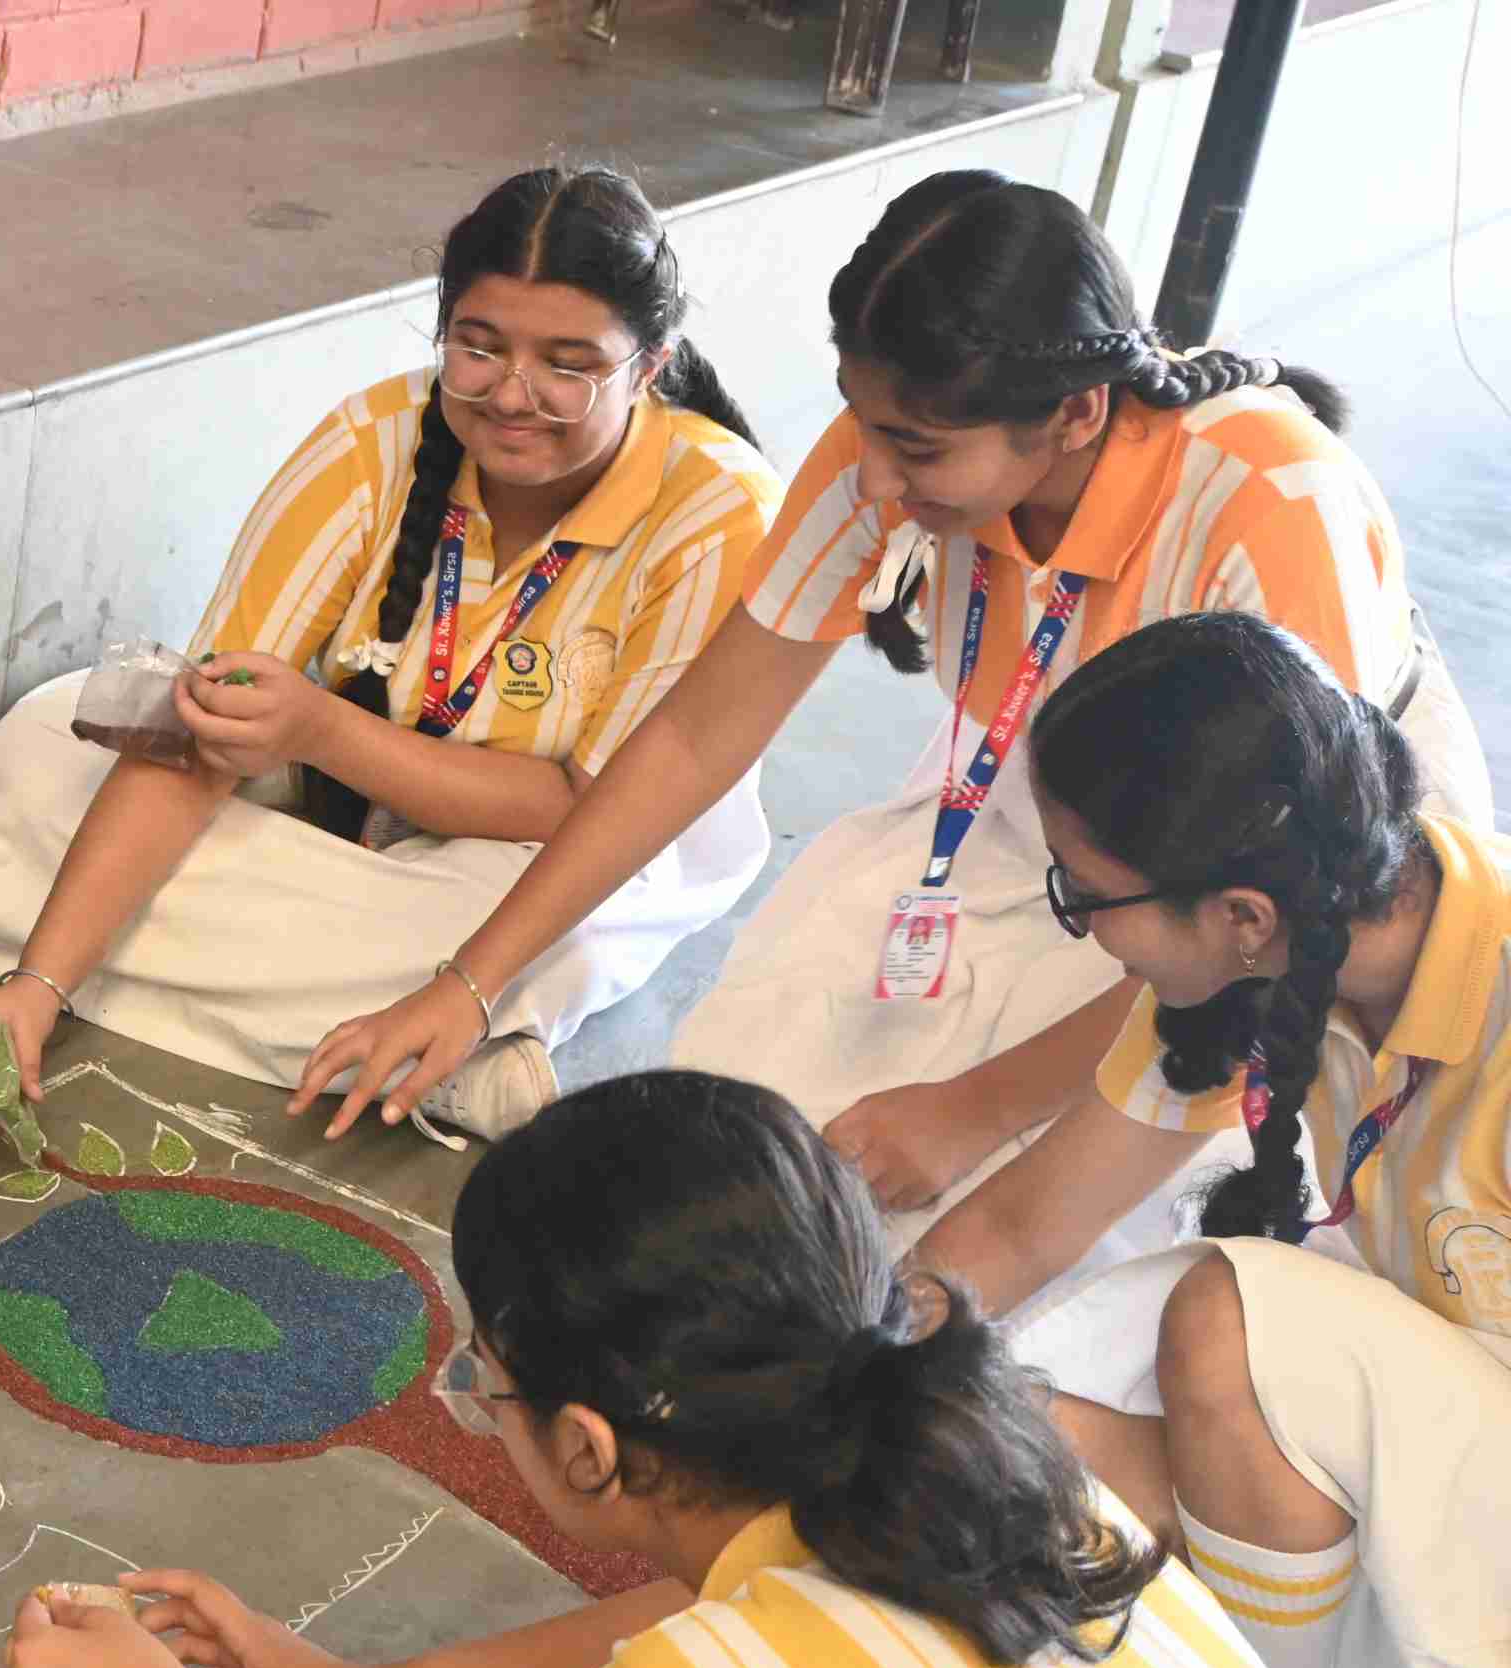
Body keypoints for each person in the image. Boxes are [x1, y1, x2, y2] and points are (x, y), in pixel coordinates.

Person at [290, 170, 1487, 1251]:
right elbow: (700, 735)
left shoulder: (1275, 506)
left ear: (1073, 416)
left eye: (913, 450)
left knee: (1054, 1244)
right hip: (1038, 821)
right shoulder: (899, 437)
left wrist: (976, 1108)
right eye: (863, 424)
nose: (872, 481)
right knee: (738, 1132)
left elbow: (1249, 943)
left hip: (1264, 903)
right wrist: (474, 982)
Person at [0, 1071, 1358, 1668]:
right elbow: (734, 1621)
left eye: (485, 1383)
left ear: (586, 1450)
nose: (471, 1399)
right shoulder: (1029, 1487)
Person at [0, 166, 781, 1138]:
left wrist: (319, 731)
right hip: (356, 814)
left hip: (560, 856)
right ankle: (424, 1051)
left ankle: (430, 1013)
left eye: (569, 364)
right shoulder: (371, 441)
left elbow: (591, 805)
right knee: (42, 740)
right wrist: (38, 983)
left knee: (540, 925)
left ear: (648, 368)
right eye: (479, 347)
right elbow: (198, 733)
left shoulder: (720, 510)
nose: (514, 394)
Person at [911, 613, 1511, 1668]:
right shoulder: (1281, 952)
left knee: (1237, 1315)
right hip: (1459, 1534)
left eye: (1086, 894)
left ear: (1240, 911)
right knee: (991, 1430)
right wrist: (835, 1369)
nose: (1079, 918)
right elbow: (1027, 1222)